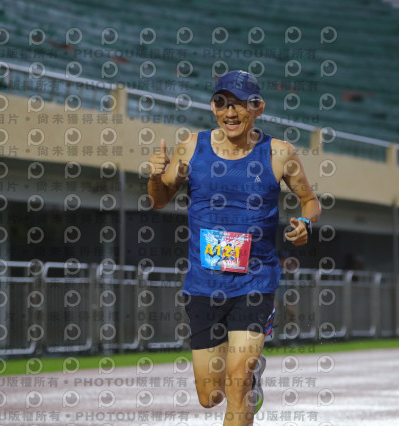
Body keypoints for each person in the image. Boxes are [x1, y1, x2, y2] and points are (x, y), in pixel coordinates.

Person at [147, 70, 322, 425]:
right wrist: (155, 175)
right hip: (204, 284)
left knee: (238, 382)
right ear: (213, 107)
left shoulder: (279, 153)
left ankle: (248, 381)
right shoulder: (191, 147)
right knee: (210, 396)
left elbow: (310, 200)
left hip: (255, 282)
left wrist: (305, 223)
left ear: (257, 108)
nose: (230, 112)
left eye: (240, 104)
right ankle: (253, 383)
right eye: (222, 103)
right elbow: (159, 200)